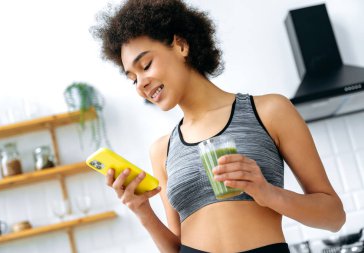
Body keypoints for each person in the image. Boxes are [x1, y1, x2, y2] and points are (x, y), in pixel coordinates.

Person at [91, 0, 346, 252]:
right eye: (132, 78)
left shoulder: (270, 111)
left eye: (145, 65)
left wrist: (267, 193)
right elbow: (175, 249)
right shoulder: (162, 150)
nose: (140, 84)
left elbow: (334, 217)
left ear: (180, 45)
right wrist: (142, 211)